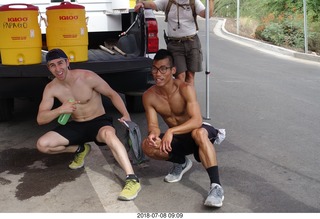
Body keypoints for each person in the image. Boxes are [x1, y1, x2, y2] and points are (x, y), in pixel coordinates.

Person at [36, 48, 141, 201]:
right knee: (42, 144)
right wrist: (60, 110)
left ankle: (132, 179)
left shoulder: (87, 77)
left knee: (109, 135)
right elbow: (41, 118)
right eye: (52, 65)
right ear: (49, 68)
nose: (57, 69)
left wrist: (126, 115)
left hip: (98, 122)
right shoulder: (51, 88)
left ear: (67, 62)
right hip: (77, 124)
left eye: (60, 63)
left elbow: (112, 94)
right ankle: (80, 148)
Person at [142, 49, 225, 207]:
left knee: (199, 133)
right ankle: (181, 162)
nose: (157, 73)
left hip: (197, 131)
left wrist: (171, 131)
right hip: (179, 138)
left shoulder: (185, 88)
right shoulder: (149, 96)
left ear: (173, 70)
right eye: (154, 68)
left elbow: (197, 120)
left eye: (163, 69)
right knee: (147, 146)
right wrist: (154, 135)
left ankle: (216, 187)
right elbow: (153, 125)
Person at [134, 0, 214, 85]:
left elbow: (207, 14)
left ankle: (189, 98)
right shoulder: (167, 2)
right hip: (175, 44)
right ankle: (180, 98)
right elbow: (150, 4)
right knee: (180, 76)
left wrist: (211, 1)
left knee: (190, 76)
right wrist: (140, 2)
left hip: (192, 42)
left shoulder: (194, 2)